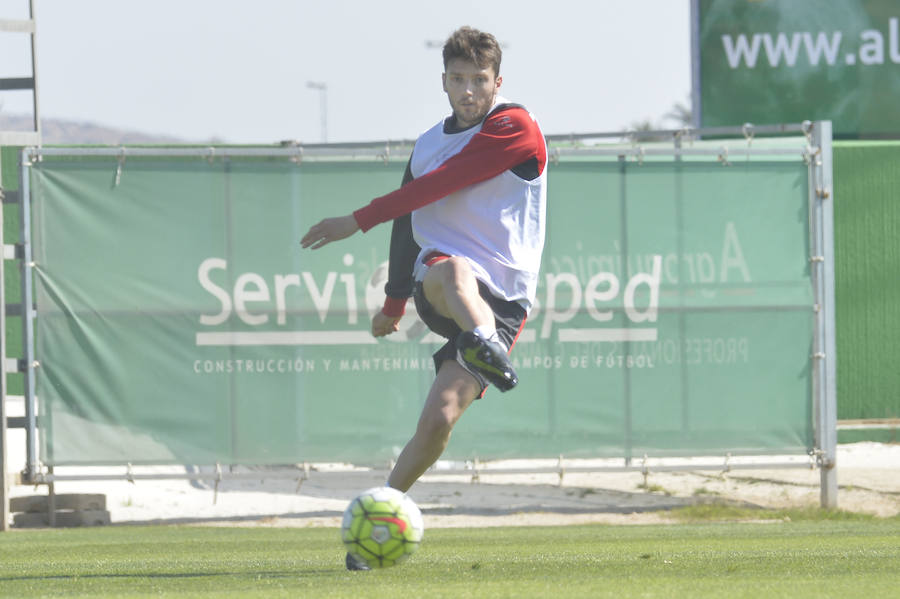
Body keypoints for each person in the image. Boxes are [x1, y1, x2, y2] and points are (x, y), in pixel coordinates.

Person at [300, 26, 547, 569]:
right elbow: (411, 225)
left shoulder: (515, 125)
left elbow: (445, 183)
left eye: (478, 80)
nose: (468, 90)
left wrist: (354, 219)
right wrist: (393, 304)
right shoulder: (427, 144)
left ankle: (381, 515)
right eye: (457, 79)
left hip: (504, 300)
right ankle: (482, 344)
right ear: (443, 81)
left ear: (496, 81)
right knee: (453, 269)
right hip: (442, 279)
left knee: (438, 420)